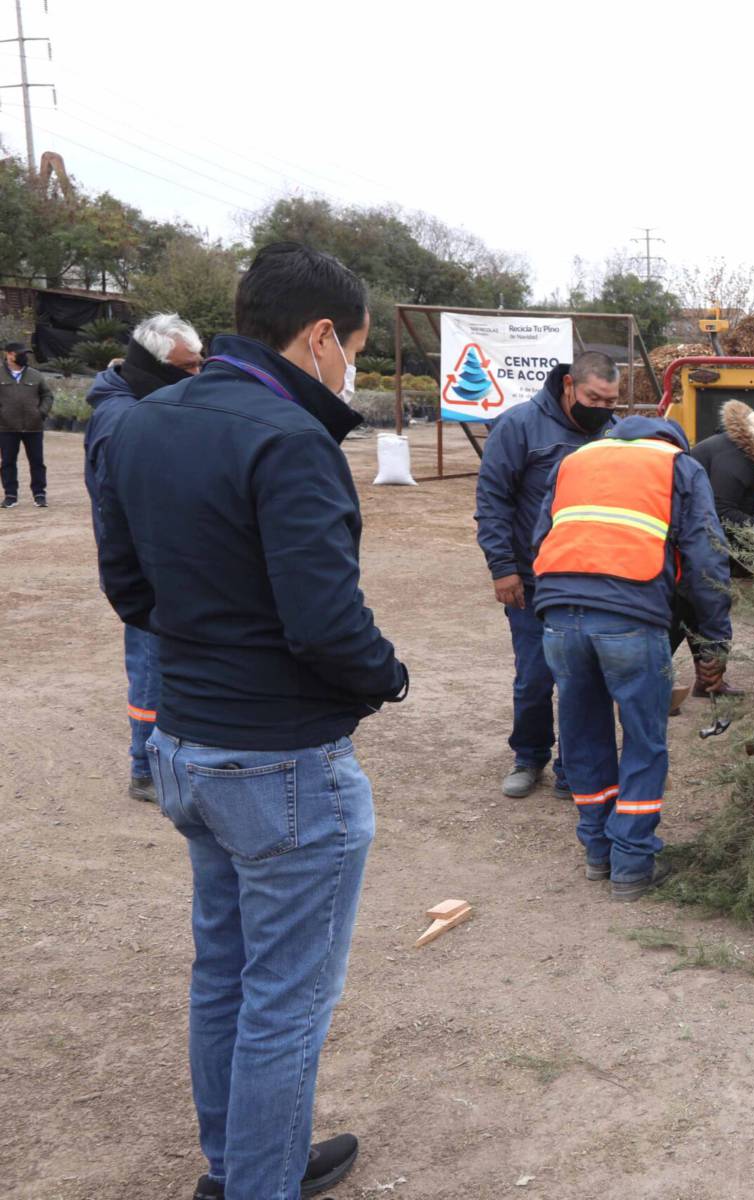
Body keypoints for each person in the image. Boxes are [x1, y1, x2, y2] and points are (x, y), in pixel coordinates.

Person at [94, 242, 408, 1199]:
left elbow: (128, 588)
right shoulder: (288, 438)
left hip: (186, 744)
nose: (350, 369)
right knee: (285, 1003)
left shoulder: (141, 424)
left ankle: (242, 1165)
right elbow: (326, 622)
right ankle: (255, 1185)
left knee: (226, 976)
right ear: (319, 338)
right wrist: (385, 677)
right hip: (279, 764)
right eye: (351, 348)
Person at [530, 411, 732, 898]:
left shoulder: (576, 460)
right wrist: (714, 640)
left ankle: (598, 851)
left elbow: (541, 538)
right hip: (631, 618)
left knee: (582, 735)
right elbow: (705, 557)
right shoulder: (678, 466)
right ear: (673, 439)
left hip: (559, 617)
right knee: (643, 740)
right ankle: (632, 865)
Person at [474, 351, 621, 800]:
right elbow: (493, 501)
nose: (603, 407)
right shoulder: (519, 426)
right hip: (533, 582)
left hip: (589, 582)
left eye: (612, 400)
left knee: (583, 679)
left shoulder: (611, 433)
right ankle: (529, 755)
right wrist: (503, 569)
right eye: (595, 397)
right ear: (569, 387)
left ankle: (570, 767)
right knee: (536, 677)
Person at [83, 313, 205, 803]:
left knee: (162, 660)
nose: (198, 375)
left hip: (159, 561)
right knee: (152, 663)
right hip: (147, 569)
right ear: (156, 366)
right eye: (188, 367)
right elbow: (120, 509)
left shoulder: (139, 402)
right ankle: (146, 768)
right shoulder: (123, 421)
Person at [673, 401, 754, 693]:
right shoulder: (735, 457)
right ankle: (656, 682)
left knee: (698, 610)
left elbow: (747, 500)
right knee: (686, 608)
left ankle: (709, 682)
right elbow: (722, 510)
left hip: (700, 538)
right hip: (691, 540)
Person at [1, 340, 56, 508]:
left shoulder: (35, 375)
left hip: (34, 427)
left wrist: (41, 413)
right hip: (6, 427)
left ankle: (39, 494)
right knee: (8, 462)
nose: (25, 357)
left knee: (37, 461)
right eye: (21, 353)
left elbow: (47, 395)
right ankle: (10, 495)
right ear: (9, 354)